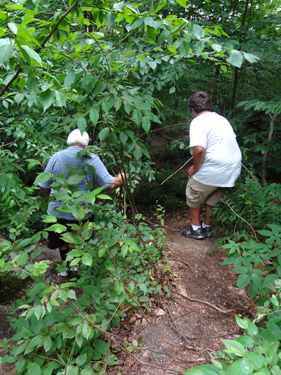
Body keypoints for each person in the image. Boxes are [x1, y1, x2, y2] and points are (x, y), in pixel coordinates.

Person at [39, 129, 125, 275]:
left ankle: (65, 268)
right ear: (86, 143)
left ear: (69, 140)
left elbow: (43, 185)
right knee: (80, 238)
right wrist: (123, 176)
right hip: (82, 211)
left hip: (58, 210)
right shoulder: (91, 158)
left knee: (62, 238)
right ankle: (78, 266)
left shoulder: (56, 157)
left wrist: (51, 198)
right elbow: (111, 183)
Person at [181, 91, 242, 240]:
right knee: (212, 197)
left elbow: (199, 148)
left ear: (192, 110)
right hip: (233, 168)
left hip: (217, 168)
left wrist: (195, 168)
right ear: (209, 106)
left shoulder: (197, 121)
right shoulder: (221, 119)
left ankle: (196, 230)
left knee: (192, 192)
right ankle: (206, 227)